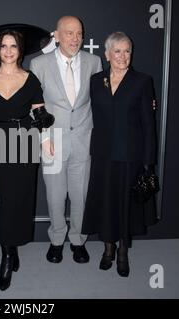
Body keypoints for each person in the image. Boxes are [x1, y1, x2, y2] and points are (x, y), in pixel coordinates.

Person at [0, 24, 54, 290]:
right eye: (4, 46)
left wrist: (47, 139)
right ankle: (7, 254)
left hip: (26, 141)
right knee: (7, 199)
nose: (8, 51)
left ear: (20, 51)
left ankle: (13, 246)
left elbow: (40, 113)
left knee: (23, 198)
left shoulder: (31, 79)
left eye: (13, 46)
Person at [81, 31, 158, 277]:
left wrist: (148, 161)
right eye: (117, 51)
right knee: (106, 204)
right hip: (103, 155)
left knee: (125, 207)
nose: (123, 56)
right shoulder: (96, 80)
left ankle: (123, 253)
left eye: (127, 51)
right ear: (107, 54)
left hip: (130, 156)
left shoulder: (143, 81)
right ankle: (108, 250)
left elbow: (148, 124)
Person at [30, 16, 102, 264]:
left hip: (84, 140)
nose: (75, 38)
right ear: (57, 36)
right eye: (69, 33)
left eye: (79, 33)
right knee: (55, 196)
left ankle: (78, 240)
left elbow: (103, 97)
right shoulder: (39, 64)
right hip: (52, 141)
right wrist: (43, 138)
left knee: (80, 195)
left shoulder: (94, 62)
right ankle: (57, 239)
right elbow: (34, 106)